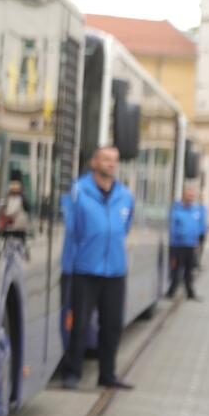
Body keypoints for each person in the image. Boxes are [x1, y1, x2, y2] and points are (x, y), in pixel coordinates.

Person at [60, 145, 136, 390]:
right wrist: (68, 268)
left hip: (115, 271)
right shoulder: (78, 192)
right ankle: (72, 373)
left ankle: (108, 375)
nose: (111, 164)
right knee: (79, 324)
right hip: (85, 269)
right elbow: (71, 231)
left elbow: (124, 228)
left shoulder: (125, 195)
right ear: (94, 163)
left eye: (114, 160)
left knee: (112, 326)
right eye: (105, 159)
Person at [166, 183, 207, 302]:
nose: (191, 198)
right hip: (177, 246)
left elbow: (200, 226)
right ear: (183, 195)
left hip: (191, 245)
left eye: (192, 196)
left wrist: (197, 242)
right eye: (189, 195)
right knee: (176, 270)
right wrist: (177, 238)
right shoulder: (176, 209)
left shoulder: (196, 210)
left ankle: (190, 293)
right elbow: (172, 227)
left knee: (189, 271)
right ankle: (171, 292)